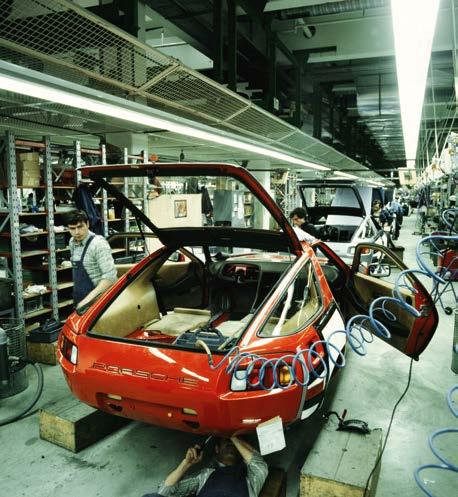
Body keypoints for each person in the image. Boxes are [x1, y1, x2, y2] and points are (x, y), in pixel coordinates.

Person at [142, 436, 268, 497]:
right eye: (227, 442)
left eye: (235, 445)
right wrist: (186, 463)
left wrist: (232, 436)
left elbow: (259, 464)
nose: (231, 445)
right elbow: (164, 491)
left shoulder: (250, 478)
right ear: (217, 449)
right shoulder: (204, 475)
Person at [66, 210, 117, 308]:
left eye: (80, 227)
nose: (77, 232)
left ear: (88, 224)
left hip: (98, 302)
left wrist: (87, 301)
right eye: (72, 228)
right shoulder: (72, 242)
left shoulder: (98, 243)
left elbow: (110, 277)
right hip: (80, 300)